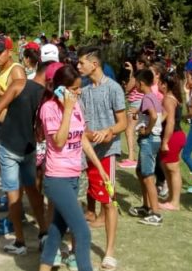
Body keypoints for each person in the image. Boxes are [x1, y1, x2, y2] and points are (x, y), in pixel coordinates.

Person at [38, 64, 111, 271]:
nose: (79, 92)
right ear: (61, 88)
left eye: (80, 88)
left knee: (56, 230)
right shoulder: (49, 108)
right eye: (75, 89)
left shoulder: (76, 105)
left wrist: (100, 167)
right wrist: (67, 109)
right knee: (83, 232)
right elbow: (59, 141)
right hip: (56, 178)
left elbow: (81, 140)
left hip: (73, 176)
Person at [0, 47, 49, 255]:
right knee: (31, 190)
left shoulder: (20, 84)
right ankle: (43, 232)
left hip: (10, 146)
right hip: (26, 147)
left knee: (14, 194)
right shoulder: (45, 95)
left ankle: (20, 242)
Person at [75, 46, 126, 271]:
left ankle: (109, 252)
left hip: (107, 153)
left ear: (94, 64)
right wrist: (87, 133)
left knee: (109, 201)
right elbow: (81, 123)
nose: (78, 67)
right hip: (85, 152)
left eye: (81, 63)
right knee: (80, 197)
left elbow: (123, 123)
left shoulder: (114, 89)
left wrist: (109, 132)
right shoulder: (83, 91)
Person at [128, 69, 164, 226]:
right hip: (151, 140)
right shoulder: (152, 97)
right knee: (140, 172)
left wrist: (147, 130)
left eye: (135, 81)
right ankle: (146, 206)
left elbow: (155, 116)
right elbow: (155, 114)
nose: (134, 84)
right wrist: (138, 112)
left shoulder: (148, 97)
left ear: (140, 83)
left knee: (148, 176)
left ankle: (155, 213)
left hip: (149, 140)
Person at [157, 68, 186, 211]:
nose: (157, 84)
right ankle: (171, 199)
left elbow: (171, 122)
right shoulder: (172, 97)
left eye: (159, 82)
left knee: (173, 169)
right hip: (175, 136)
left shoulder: (168, 99)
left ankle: (175, 202)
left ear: (164, 84)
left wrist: (165, 142)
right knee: (166, 166)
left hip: (173, 136)